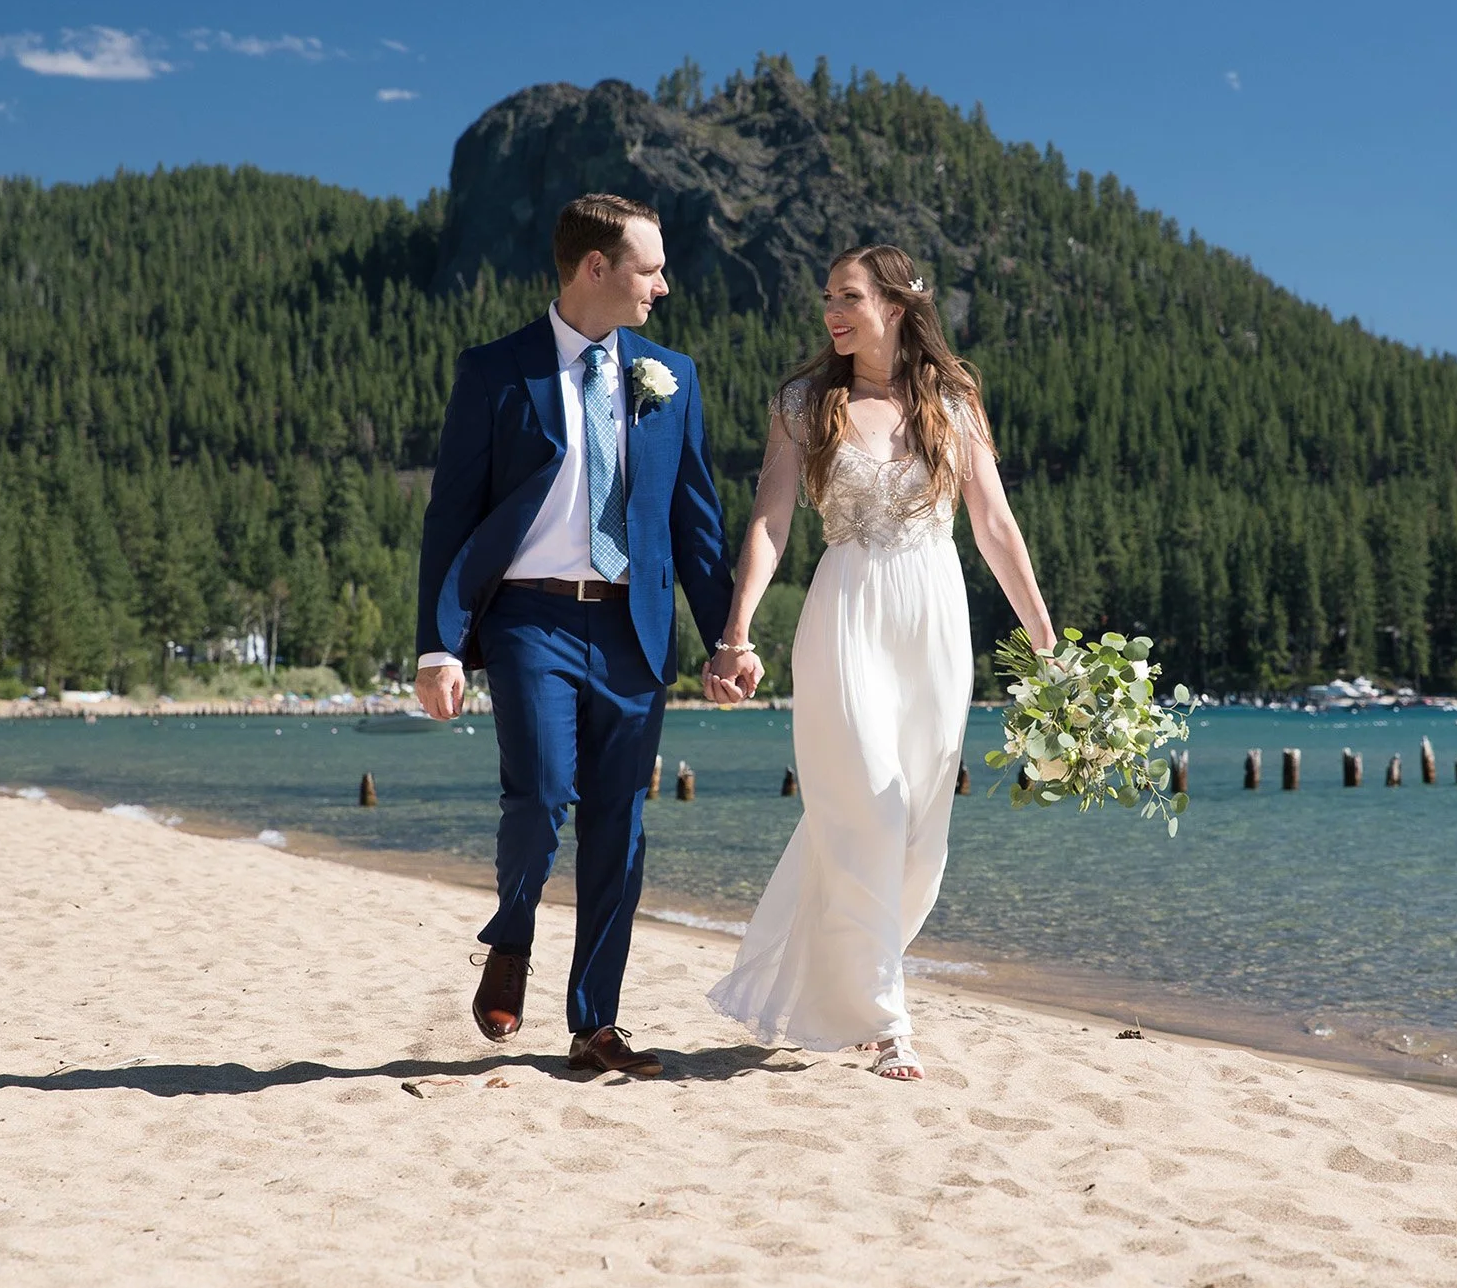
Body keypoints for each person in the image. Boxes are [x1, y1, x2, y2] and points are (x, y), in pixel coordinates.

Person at [703, 243, 1054, 1080]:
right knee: (869, 803)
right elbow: (770, 521)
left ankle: (858, 985)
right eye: (828, 296)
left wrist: (1048, 646)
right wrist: (736, 630)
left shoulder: (952, 400)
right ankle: (891, 1021)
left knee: (921, 832)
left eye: (849, 296)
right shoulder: (804, 402)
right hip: (845, 612)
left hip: (933, 620)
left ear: (894, 306)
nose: (832, 310)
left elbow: (994, 525)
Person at [414, 193, 735, 1080]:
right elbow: (451, 516)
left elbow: (697, 522)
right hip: (530, 619)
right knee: (542, 793)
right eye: (649, 269)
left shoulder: (671, 376)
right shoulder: (495, 371)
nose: (663, 286)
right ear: (597, 267)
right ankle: (512, 933)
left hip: (636, 626)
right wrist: (438, 645)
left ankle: (595, 1023)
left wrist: (728, 635)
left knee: (620, 826)